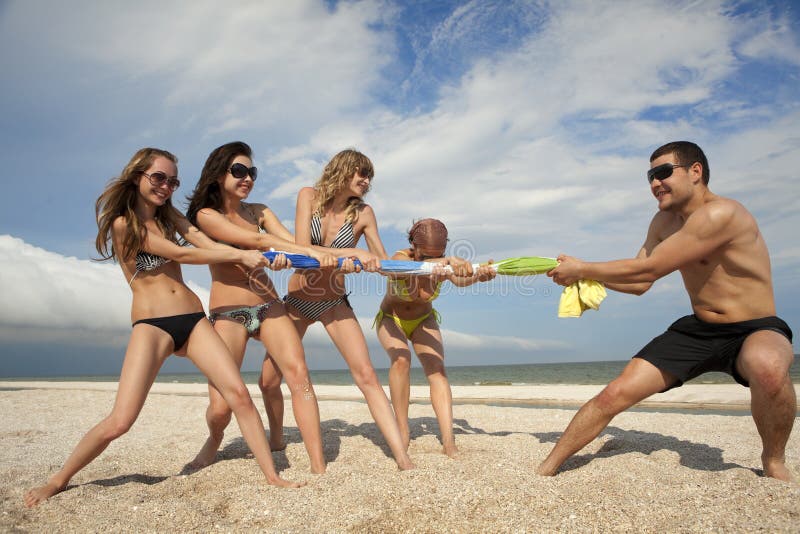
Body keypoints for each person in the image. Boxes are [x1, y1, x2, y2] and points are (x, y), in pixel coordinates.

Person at [24, 148, 303, 508]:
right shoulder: (125, 224)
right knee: (120, 421)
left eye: (173, 181)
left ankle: (272, 476)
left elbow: (204, 243)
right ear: (138, 176)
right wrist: (238, 254)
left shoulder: (169, 215)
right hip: (153, 325)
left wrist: (254, 251)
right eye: (158, 178)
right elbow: (184, 255)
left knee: (239, 396)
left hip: (194, 318)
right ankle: (58, 480)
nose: (166, 186)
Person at [538, 141, 795, 482]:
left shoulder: (723, 214)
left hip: (754, 328)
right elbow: (639, 284)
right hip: (699, 329)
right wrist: (580, 278)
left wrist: (583, 268)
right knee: (615, 392)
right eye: (650, 176)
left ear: (695, 172)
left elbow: (648, 270)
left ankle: (773, 462)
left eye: (662, 173)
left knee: (769, 367)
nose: (654, 183)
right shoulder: (663, 222)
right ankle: (546, 467)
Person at [263, 149, 449, 470]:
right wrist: (351, 252)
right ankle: (277, 436)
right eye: (361, 174)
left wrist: (426, 264)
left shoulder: (364, 213)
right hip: (296, 300)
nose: (366, 181)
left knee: (366, 376)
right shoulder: (309, 197)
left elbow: (383, 263)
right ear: (343, 170)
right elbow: (303, 247)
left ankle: (403, 458)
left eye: (369, 177)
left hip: (334, 300)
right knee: (268, 380)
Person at [185, 142, 336, 474]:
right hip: (230, 311)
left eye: (251, 172)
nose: (247, 178)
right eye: (239, 171)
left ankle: (318, 465)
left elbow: (291, 244)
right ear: (218, 173)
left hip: (268, 304)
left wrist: (310, 257)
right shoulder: (206, 215)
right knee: (221, 408)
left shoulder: (260, 211)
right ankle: (214, 438)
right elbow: (254, 242)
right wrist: (278, 249)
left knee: (299, 376)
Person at [375, 218, 495, 457]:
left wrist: (478, 276)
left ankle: (449, 442)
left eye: (437, 255)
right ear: (412, 245)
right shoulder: (400, 259)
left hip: (423, 320)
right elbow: (395, 267)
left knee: (437, 370)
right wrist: (447, 261)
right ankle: (402, 430)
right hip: (392, 318)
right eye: (425, 256)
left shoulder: (441, 266)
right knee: (401, 361)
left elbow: (460, 280)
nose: (430, 261)